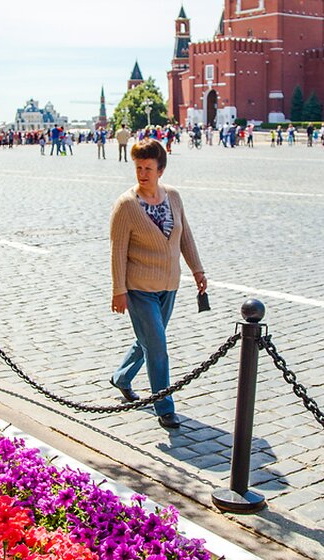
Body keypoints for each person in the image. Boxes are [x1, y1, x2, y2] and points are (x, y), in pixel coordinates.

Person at [109, 139, 207, 429]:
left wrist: (197, 270)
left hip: (169, 285)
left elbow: (185, 236)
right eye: (138, 168)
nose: (142, 173)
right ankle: (164, 406)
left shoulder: (173, 196)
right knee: (158, 346)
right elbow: (117, 251)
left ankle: (122, 377)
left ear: (160, 170)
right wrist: (119, 290)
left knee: (150, 340)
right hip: (139, 288)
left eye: (148, 168)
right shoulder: (126, 205)